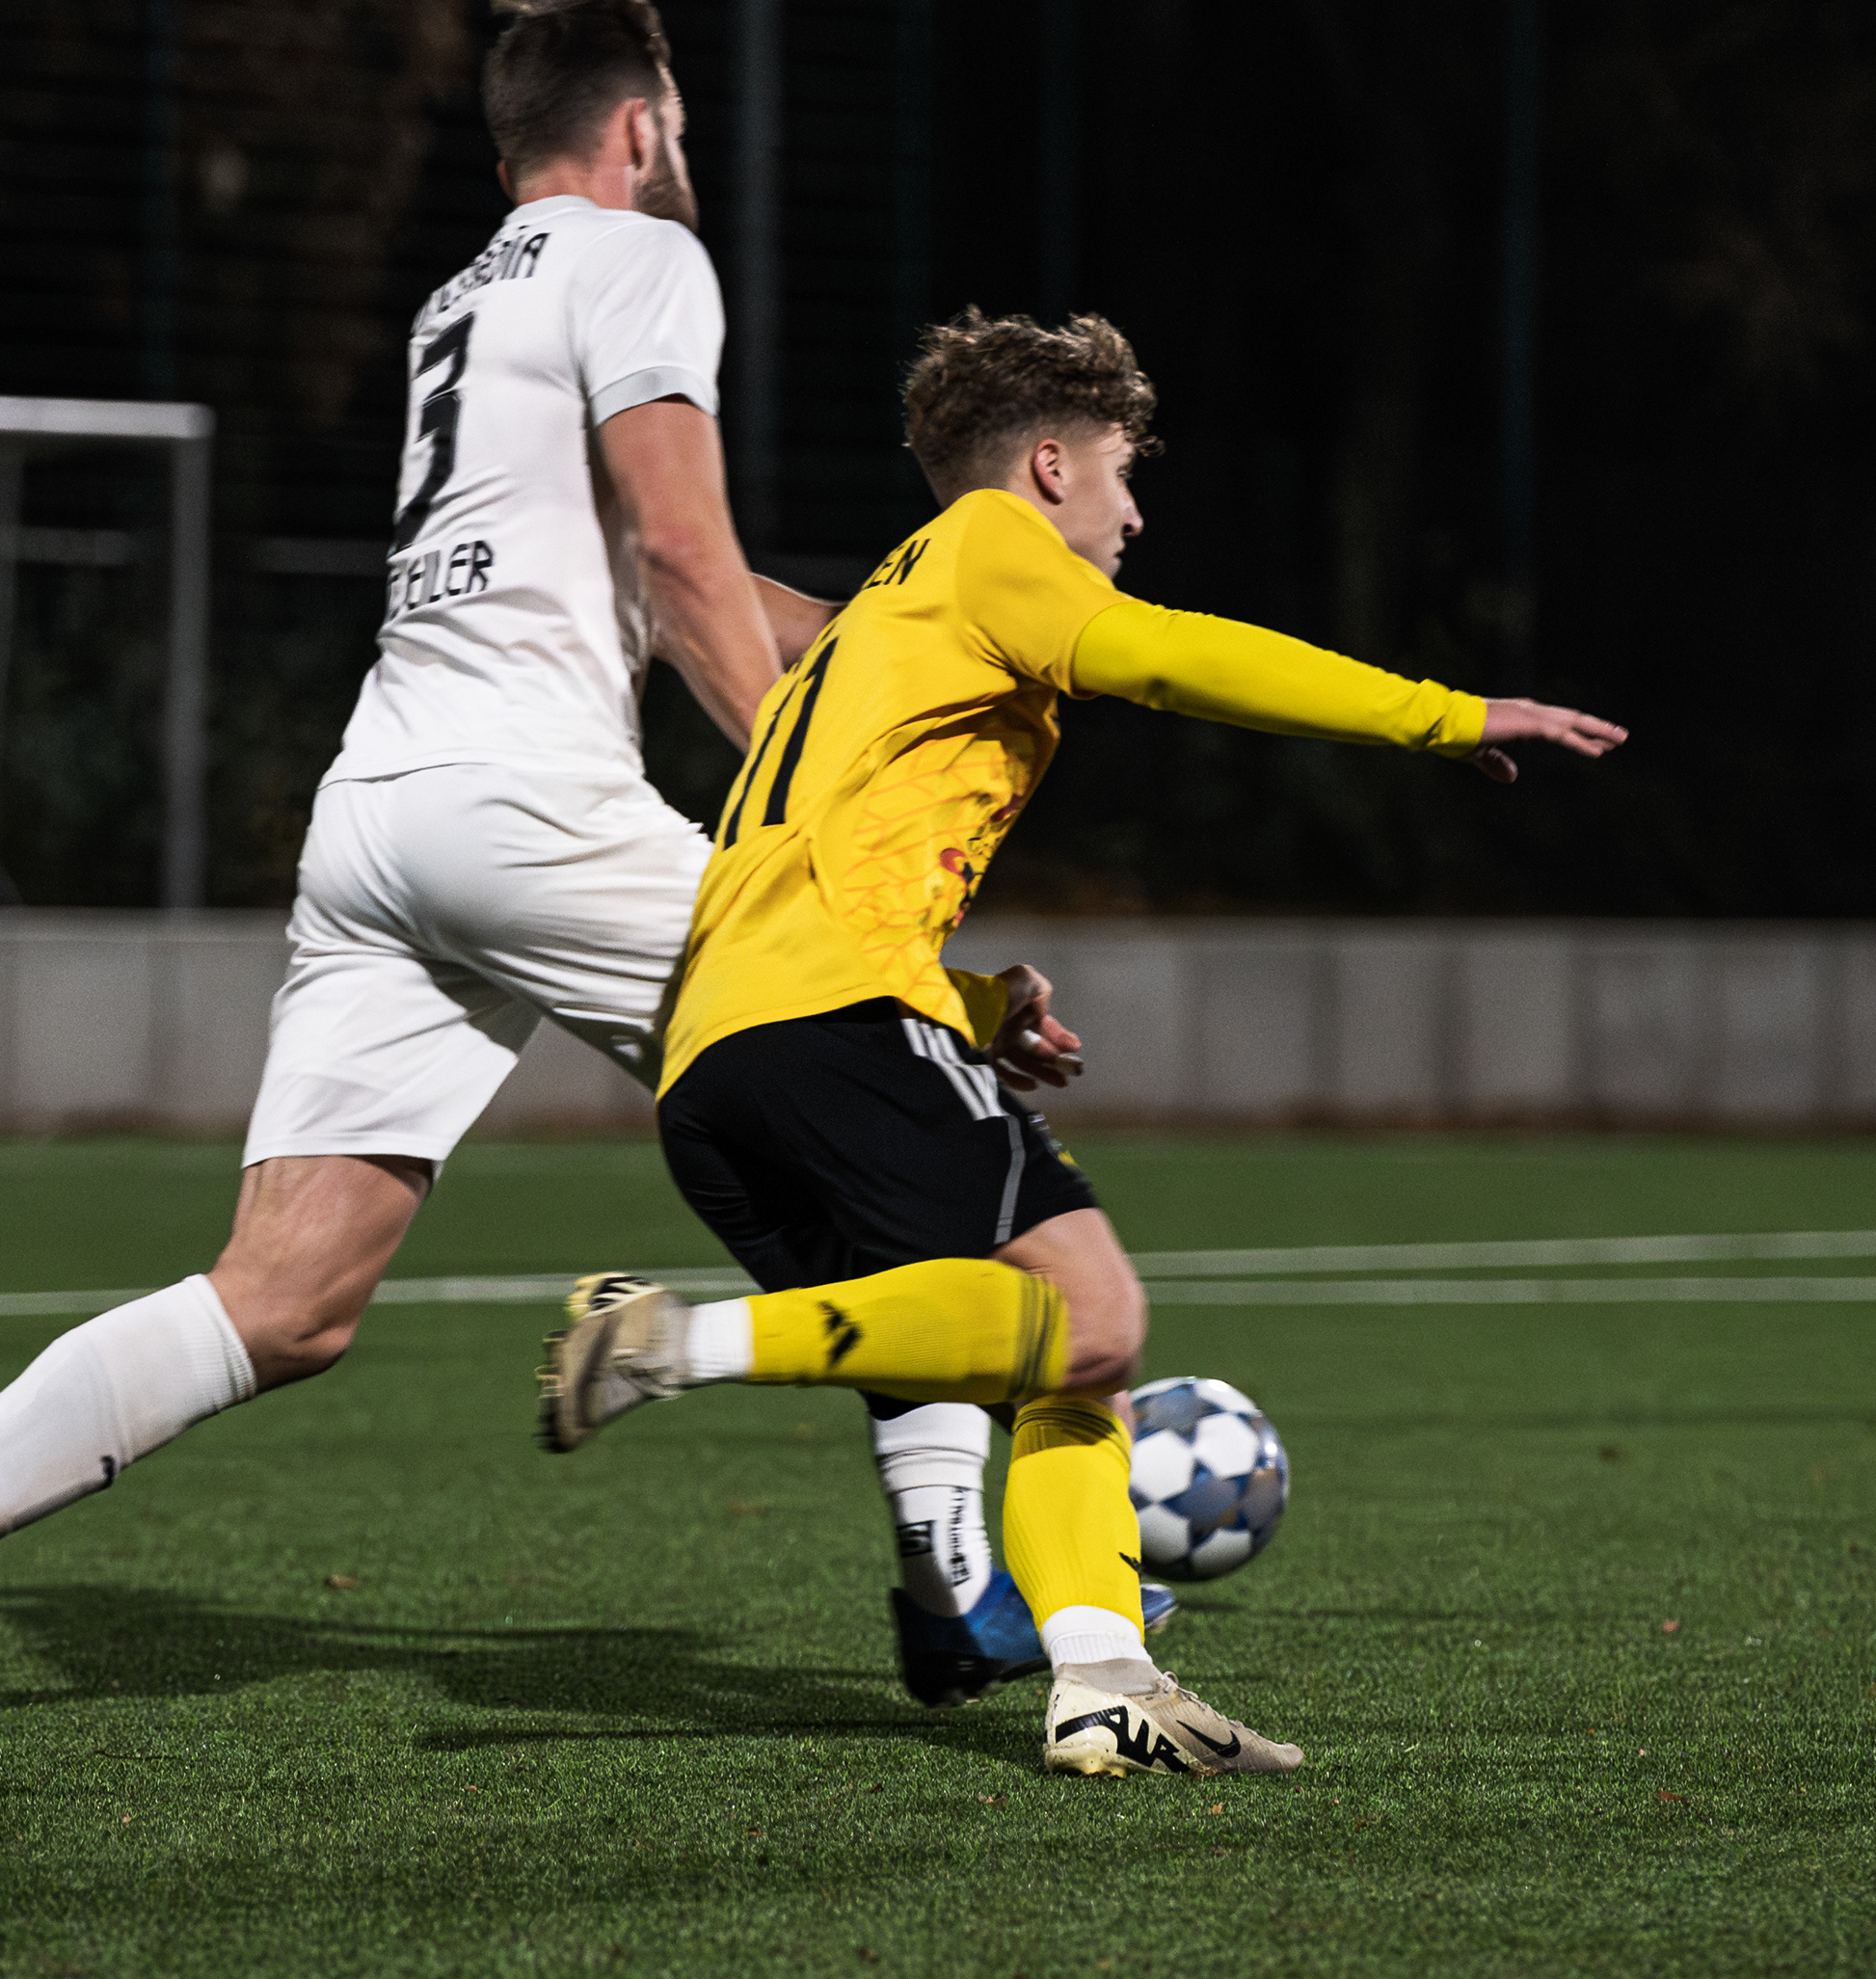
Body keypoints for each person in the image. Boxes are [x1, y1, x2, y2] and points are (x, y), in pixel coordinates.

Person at [0, 0, 1111, 1737]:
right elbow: (684, 560)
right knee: (888, 1133)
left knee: (283, 1299)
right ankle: (953, 1585)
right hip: (531, 808)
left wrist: (889, 645)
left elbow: (637, 575)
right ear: (638, 129)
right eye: (681, 125)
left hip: (384, 814)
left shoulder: (463, 297)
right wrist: (835, 812)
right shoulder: (644, 257)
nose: (686, 153)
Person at [535, 308, 1626, 1778]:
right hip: (833, 1016)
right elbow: (1166, 656)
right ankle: (670, 1341)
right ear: (1049, 465)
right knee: (1098, 1310)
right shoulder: (992, 546)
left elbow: (821, 864)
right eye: (1121, 474)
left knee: (1061, 1357)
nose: (1133, 514)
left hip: (725, 1050)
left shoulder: (884, 612)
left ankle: (1106, 1683)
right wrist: (1437, 714)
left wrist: (975, 1008)